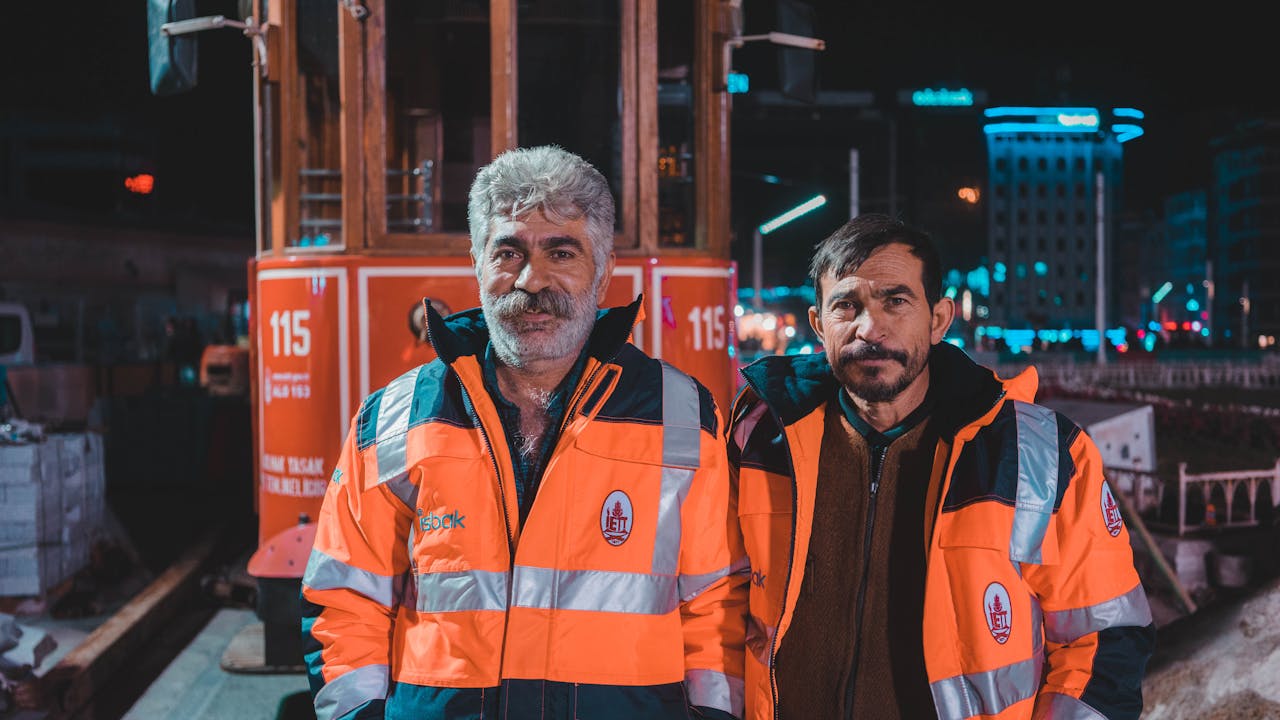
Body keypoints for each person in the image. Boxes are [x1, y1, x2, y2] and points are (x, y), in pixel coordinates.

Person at [302, 145, 748, 720]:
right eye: (508, 252)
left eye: (561, 251)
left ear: (605, 268)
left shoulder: (683, 414)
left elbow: (717, 606)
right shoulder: (394, 417)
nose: (532, 280)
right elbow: (346, 601)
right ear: (477, 263)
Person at [728, 213, 1155, 719]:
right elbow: (715, 607)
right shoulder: (760, 438)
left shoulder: (1035, 452)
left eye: (896, 300)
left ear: (938, 319)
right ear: (819, 324)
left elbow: (1105, 638)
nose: (870, 327)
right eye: (847, 304)